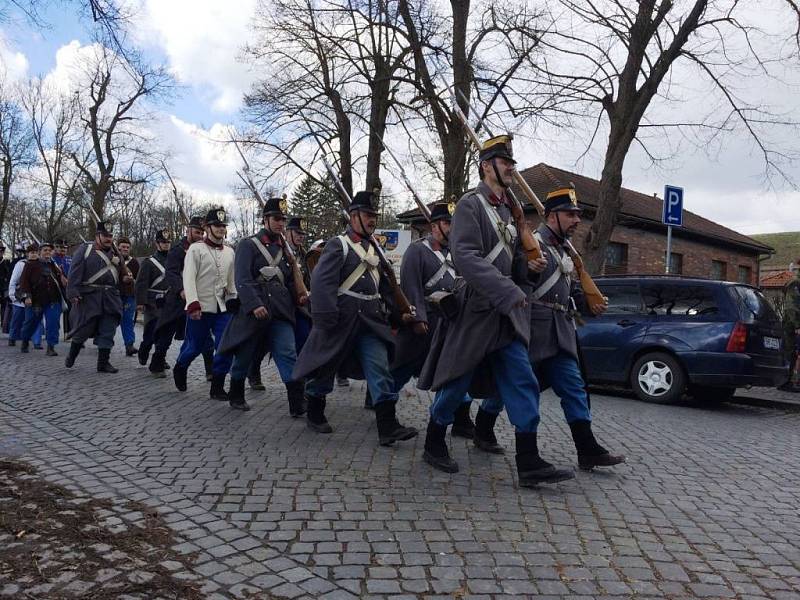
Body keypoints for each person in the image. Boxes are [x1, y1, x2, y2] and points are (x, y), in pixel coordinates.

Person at [417, 135, 574, 486]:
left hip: (506, 312)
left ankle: (529, 461)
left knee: (522, 381)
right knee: (456, 384)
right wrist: (508, 289)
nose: (511, 169)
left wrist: (526, 270)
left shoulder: (509, 211)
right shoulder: (471, 206)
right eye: (505, 162)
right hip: (477, 309)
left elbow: (514, 260)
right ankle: (433, 438)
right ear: (487, 166)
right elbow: (467, 258)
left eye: (512, 163)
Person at [482, 186, 626, 470]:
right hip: (532, 331)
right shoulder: (530, 244)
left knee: (573, 387)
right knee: (513, 389)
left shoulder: (567, 252)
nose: (576, 220)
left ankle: (587, 448)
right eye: (570, 214)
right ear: (551, 216)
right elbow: (516, 281)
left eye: (577, 215)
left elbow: (567, 291)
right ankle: (484, 427)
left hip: (560, 333)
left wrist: (588, 304)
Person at [293, 189, 418, 447]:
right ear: (353, 216)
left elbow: (385, 287)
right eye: (367, 214)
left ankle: (387, 426)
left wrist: (401, 312)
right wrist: (327, 319)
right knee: (326, 368)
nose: (372, 219)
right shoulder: (338, 245)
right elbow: (322, 283)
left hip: (370, 321)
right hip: (340, 320)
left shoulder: (376, 249)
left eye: (374, 214)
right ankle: (315, 409)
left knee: (380, 368)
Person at [389, 201, 479, 441]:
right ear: (434, 225)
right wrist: (417, 318)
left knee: (452, 371)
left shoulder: (455, 253)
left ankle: (461, 419)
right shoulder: (418, 250)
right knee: (401, 369)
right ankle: (384, 413)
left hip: (447, 323)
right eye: (448, 222)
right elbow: (410, 286)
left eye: (454, 223)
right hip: (424, 323)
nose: (452, 227)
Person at [219, 198, 308, 412]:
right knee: (244, 356)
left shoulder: (286, 251)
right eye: (277, 218)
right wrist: (254, 304)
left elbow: (288, 281)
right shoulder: (248, 245)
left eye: (283, 220)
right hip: (255, 312)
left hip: (280, 312)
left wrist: (300, 295)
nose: (281, 223)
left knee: (288, 354)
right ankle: (236, 394)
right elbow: (242, 278)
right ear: (265, 220)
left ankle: (296, 403)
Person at [173, 208, 237, 399]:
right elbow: (188, 278)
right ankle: (181, 366)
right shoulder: (195, 249)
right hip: (200, 307)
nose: (220, 229)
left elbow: (231, 280)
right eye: (217, 225)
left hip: (222, 308)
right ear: (208, 227)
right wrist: (192, 303)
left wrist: (233, 298)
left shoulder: (230, 252)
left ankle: (217, 387)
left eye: (223, 226)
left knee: (225, 347)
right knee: (195, 346)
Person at [148, 216, 214, 379]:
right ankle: (157, 363)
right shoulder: (177, 250)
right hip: (178, 300)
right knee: (166, 335)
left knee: (205, 337)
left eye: (202, 232)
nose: (200, 235)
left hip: (199, 298)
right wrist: (181, 290)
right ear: (188, 230)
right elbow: (171, 272)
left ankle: (211, 371)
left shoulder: (205, 249)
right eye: (197, 232)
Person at [64, 222, 129, 373]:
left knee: (108, 330)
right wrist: (73, 292)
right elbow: (74, 273)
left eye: (111, 236)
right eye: (106, 236)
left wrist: (125, 279)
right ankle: (72, 355)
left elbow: (121, 275)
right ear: (97, 236)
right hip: (89, 297)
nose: (108, 239)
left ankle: (103, 363)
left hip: (110, 297)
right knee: (82, 330)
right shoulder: (85, 250)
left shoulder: (116, 253)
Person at [18, 241, 67, 356]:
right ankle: (25, 341)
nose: (47, 253)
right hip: (35, 301)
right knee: (31, 323)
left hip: (53, 300)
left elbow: (61, 281)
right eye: (45, 250)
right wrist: (27, 297)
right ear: (40, 252)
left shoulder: (54, 265)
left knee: (53, 323)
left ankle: (51, 347)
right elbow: (24, 282)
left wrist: (63, 278)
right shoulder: (30, 265)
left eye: (49, 251)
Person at [135, 229, 171, 368]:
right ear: (157, 243)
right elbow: (141, 283)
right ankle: (144, 350)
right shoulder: (149, 262)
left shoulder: (174, 261)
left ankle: (160, 358)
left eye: (168, 242)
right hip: (153, 302)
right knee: (151, 332)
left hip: (168, 301)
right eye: (163, 242)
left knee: (164, 332)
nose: (166, 245)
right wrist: (140, 302)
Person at [7, 243, 43, 348]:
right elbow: (13, 281)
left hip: (35, 297)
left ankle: (36, 342)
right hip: (20, 295)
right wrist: (12, 295)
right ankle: (12, 338)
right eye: (32, 253)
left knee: (35, 320)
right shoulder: (21, 264)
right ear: (27, 254)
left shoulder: (41, 264)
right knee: (17, 319)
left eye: (36, 252)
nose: (34, 255)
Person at [116, 237, 140, 356]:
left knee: (128, 320)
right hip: (114, 296)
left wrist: (132, 281)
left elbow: (139, 280)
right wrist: (121, 280)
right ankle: (102, 343)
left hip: (130, 296)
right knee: (110, 320)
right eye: (123, 247)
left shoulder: (134, 262)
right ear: (118, 248)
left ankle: (129, 345)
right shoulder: (113, 260)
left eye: (127, 247)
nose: (125, 249)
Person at [0, 241, 11, 333]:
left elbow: (8, 274)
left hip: (3, 287)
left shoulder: (6, 262)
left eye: (1, 251)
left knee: (4, 305)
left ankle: (3, 323)